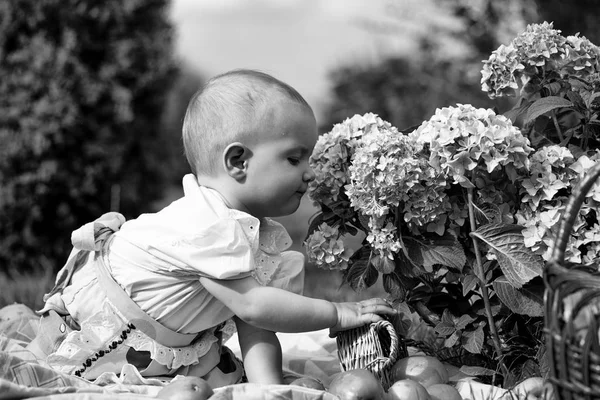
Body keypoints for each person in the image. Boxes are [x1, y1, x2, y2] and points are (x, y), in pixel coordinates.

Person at [29, 69, 397, 387]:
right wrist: (338, 313)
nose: (308, 171)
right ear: (238, 161)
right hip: (107, 324)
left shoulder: (254, 234)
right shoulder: (209, 225)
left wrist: (269, 389)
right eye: (294, 158)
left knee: (223, 374)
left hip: (170, 337)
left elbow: (258, 326)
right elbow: (255, 307)